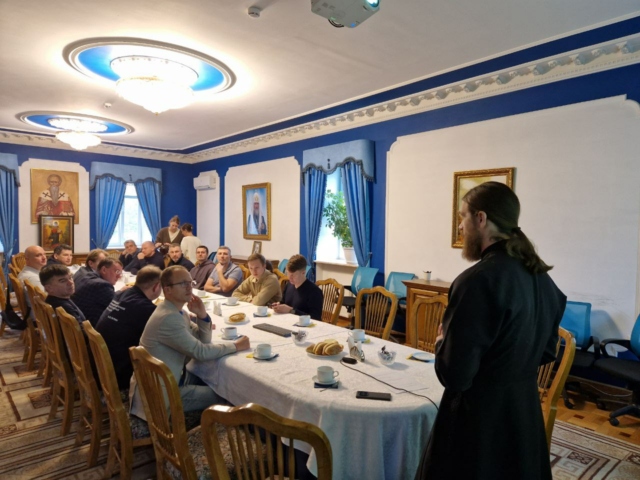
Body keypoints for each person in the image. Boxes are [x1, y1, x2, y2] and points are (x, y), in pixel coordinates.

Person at [415, 182, 566, 480]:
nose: (461, 226)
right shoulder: (542, 278)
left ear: (481, 218)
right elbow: (548, 351)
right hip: (523, 416)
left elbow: (455, 376)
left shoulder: (477, 280)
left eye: (463, 216)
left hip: (480, 425)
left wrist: (442, 341)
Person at [129, 266, 251, 420]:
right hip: (161, 396)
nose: (189, 287)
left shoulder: (176, 311)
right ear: (167, 290)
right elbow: (201, 352)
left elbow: (203, 340)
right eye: (182, 284)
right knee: (226, 393)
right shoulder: (169, 317)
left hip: (166, 380)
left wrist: (202, 315)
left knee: (215, 380)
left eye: (190, 282)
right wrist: (236, 346)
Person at [95, 266, 162, 390]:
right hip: (118, 374)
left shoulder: (122, 293)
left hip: (99, 364)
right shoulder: (145, 308)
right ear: (156, 286)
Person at [72, 258, 123, 326]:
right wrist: (122, 292)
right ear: (104, 270)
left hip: (80, 321)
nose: (119, 276)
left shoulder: (88, 276)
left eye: (120, 273)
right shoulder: (102, 285)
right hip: (90, 328)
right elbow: (119, 308)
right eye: (117, 271)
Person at [272, 255, 323, 320]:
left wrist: (291, 310)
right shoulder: (289, 285)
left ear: (303, 273)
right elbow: (284, 302)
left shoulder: (314, 292)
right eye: (288, 273)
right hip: (288, 320)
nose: (289, 278)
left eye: (293, 275)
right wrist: (278, 305)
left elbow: (315, 318)